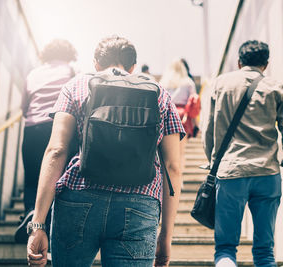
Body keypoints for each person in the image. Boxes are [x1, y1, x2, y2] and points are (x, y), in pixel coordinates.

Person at [27, 35, 185, 267]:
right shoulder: (160, 94)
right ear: (132, 67)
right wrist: (166, 236)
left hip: (78, 197)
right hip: (139, 205)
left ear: (96, 64)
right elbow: (173, 166)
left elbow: (56, 150)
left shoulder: (76, 85)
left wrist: (38, 224)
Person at [202, 40, 283, 267]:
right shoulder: (278, 88)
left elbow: (208, 132)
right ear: (266, 64)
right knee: (264, 252)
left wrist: (214, 164)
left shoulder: (220, 84)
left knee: (225, 249)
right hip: (267, 175)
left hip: (230, 174)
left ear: (239, 62)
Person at [15, 39, 77, 243]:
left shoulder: (33, 73)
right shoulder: (70, 72)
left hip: (32, 129)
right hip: (58, 128)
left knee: (32, 178)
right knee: (56, 177)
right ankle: (48, 223)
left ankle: (31, 214)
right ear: (69, 53)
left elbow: (23, 108)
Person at [160, 59, 199, 171]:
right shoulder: (188, 82)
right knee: (180, 153)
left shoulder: (163, 83)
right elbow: (193, 103)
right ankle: (179, 180)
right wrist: (196, 124)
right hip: (182, 117)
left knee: (166, 154)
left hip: (165, 115)